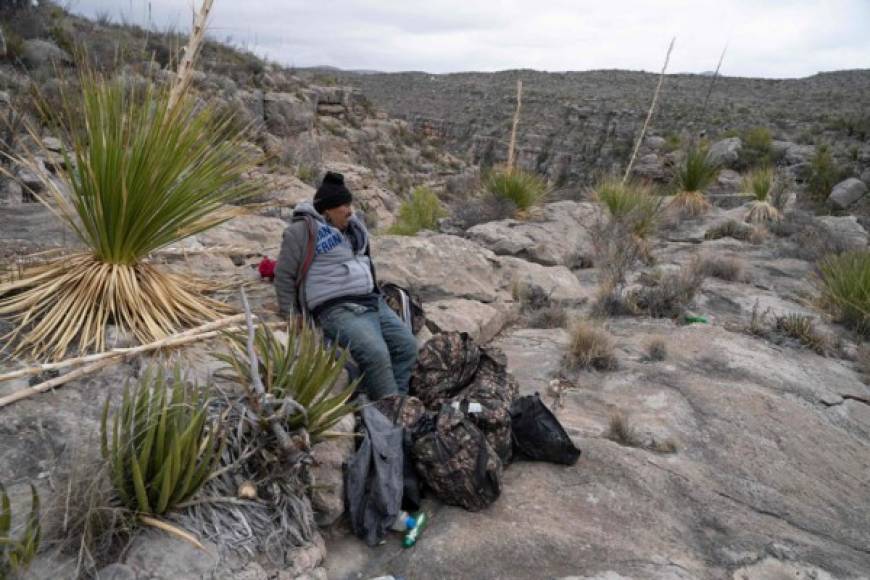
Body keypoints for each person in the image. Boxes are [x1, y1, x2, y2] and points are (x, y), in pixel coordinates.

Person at [274, 171, 418, 400]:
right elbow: (283, 274)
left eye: (348, 203)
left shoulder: (354, 230)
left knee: (407, 347)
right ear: (327, 210)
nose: (349, 210)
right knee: (376, 353)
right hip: (337, 308)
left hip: (371, 301)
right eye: (342, 205)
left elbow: (366, 262)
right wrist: (291, 313)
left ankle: (395, 404)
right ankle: (390, 412)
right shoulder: (301, 232)